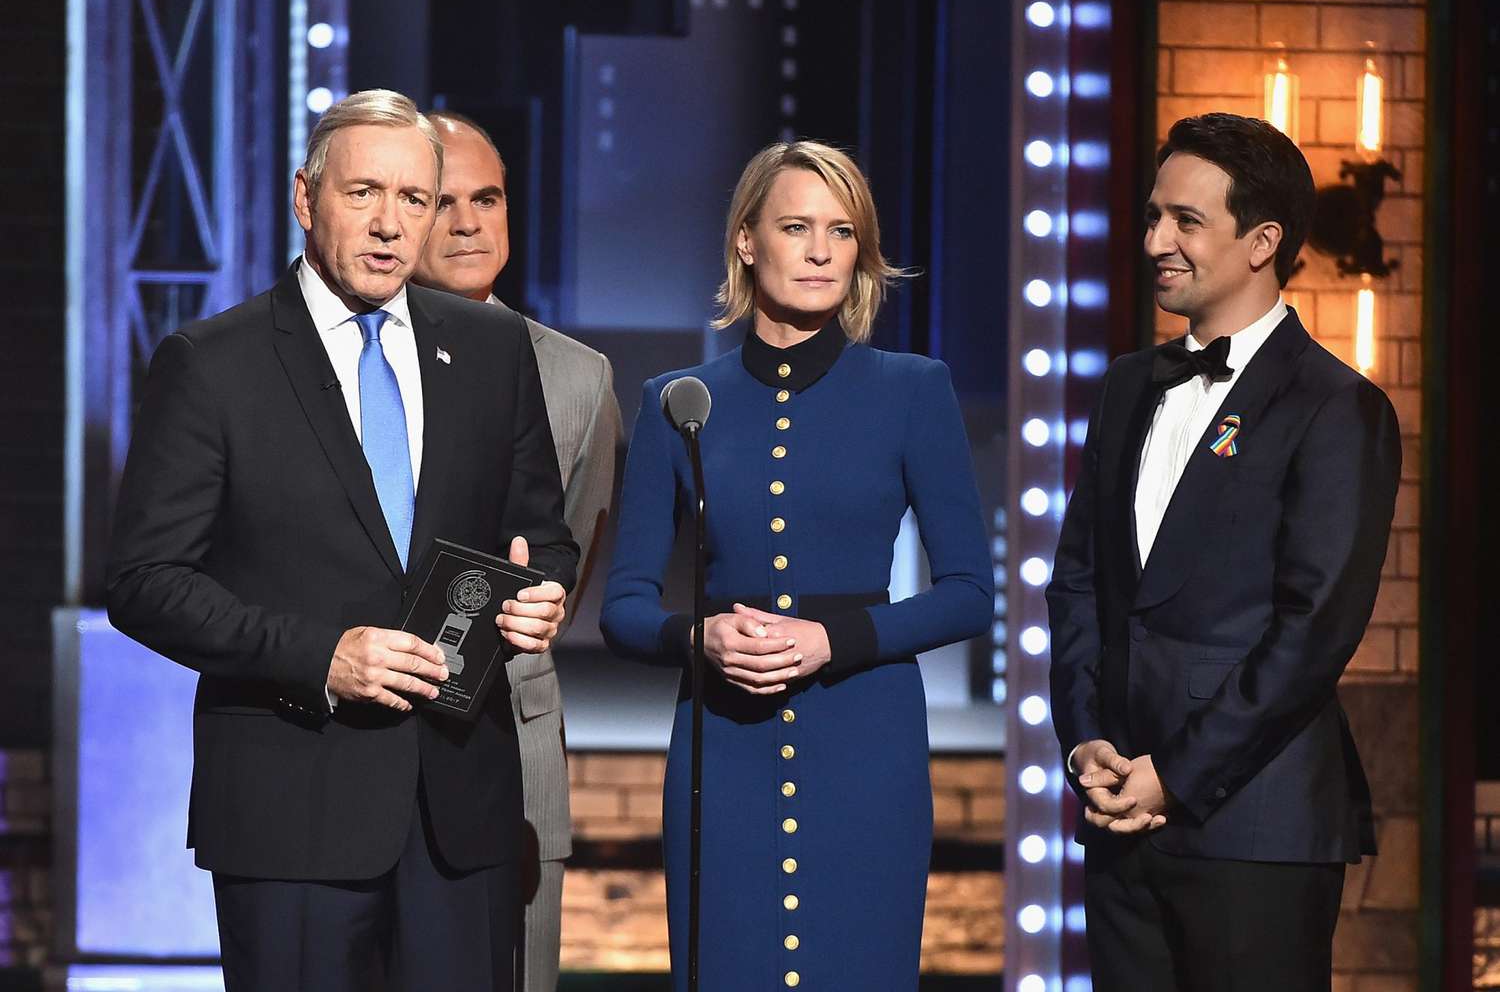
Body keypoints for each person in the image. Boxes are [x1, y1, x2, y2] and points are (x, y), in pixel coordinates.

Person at [105, 89, 579, 992]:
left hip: (459, 811)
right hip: (293, 811)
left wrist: (543, 592)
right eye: (365, 193)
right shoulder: (214, 364)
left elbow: (540, 537)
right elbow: (144, 580)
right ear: (305, 198)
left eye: (415, 200)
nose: (392, 224)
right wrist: (323, 656)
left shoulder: (488, 349)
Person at [599, 141, 992, 991]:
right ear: (747, 242)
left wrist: (833, 641)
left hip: (866, 740)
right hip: (721, 745)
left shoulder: (912, 389)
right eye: (795, 227)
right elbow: (622, 605)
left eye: (842, 231)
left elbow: (969, 594)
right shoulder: (676, 401)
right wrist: (695, 637)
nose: (820, 250)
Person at [1047, 113, 1402, 992]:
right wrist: (1087, 737)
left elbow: (1314, 631)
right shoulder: (1131, 382)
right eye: (1153, 216)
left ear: (1262, 242)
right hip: (1119, 810)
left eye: (1185, 221)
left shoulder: (1335, 406)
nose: (1156, 240)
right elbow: (1080, 583)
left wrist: (1175, 775)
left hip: (1257, 824)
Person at [413, 110, 621, 992]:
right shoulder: (333, 360)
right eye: (442, 200)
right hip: (358, 741)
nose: (468, 223)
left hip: (515, 745)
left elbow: (581, 549)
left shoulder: (578, 376)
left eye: (487, 198)